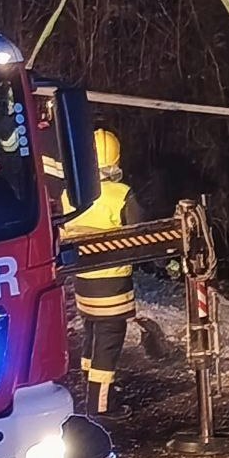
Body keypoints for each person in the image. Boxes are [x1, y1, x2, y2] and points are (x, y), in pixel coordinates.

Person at [60, 130, 142, 415]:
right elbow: (141, 233)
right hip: (113, 285)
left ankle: (92, 387)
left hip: (84, 283)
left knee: (93, 335)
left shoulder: (69, 193)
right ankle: (101, 405)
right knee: (108, 342)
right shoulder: (121, 195)